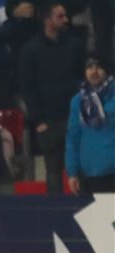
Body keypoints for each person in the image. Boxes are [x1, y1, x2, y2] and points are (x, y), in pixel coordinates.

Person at [18, 1, 84, 193]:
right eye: (60, 16)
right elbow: (27, 87)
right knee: (53, 173)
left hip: (75, 118)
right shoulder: (30, 50)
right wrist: (38, 120)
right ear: (47, 20)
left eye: (65, 15)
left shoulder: (75, 45)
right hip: (49, 121)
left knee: (81, 170)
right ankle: (56, 217)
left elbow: (83, 77)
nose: (66, 20)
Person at [65, 56, 115, 195]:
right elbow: (73, 138)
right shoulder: (77, 101)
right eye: (89, 67)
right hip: (89, 173)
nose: (94, 71)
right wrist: (72, 172)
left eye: (98, 67)